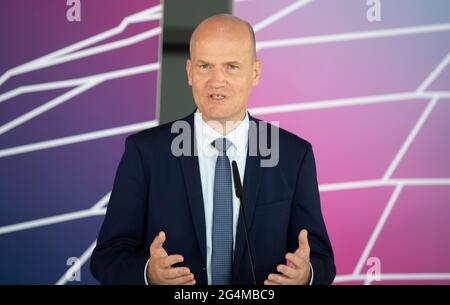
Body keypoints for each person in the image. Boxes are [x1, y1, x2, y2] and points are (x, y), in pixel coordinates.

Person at [90, 14, 335, 285]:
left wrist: (306, 275)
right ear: (189, 72)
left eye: (231, 66)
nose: (217, 80)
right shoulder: (145, 152)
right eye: (205, 66)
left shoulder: (292, 155)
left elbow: (321, 260)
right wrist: (148, 273)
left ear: (255, 73)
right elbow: (107, 257)